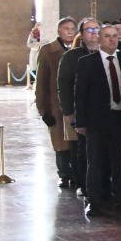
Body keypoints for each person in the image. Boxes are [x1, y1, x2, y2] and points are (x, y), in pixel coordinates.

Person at [73, 22, 121, 217]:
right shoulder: (87, 62)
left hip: (119, 118)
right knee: (95, 161)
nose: (111, 40)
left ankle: (120, 198)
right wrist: (80, 122)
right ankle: (94, 201)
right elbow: (80, 94)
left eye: (115, 36)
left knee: (118, 161)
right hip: (97, 120)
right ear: (98, 38)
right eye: (107, 36)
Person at [57, 18, 100, 193]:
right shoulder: (71, 57)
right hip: (80, 112)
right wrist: (69, 113)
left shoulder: (108, 53)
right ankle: (83, 185)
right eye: (89, 30)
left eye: (97, 29)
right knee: (81, 151)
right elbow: (64, 86)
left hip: (102, 112)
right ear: (81, 34)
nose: (94, 33)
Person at [34, 16, 78, 188]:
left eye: (72, 29)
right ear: (59, 31)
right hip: (56, 105)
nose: (69, 32)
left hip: (75, 104)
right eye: (66, 29)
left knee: (76, 142)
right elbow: (41, 82)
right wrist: (43, 109)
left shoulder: (78, 50)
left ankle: (77, 174)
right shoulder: (48, 51)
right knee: (61, 143)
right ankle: (64, 174)